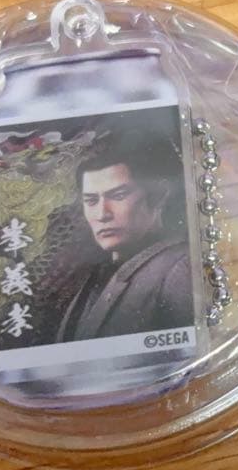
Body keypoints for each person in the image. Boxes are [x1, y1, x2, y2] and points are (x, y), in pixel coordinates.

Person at [56, 132, 194, 343]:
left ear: (158, 196)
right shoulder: (97, 278)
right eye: (91, 201)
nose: (102, 214)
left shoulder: (179, 267)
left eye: (118, 196)